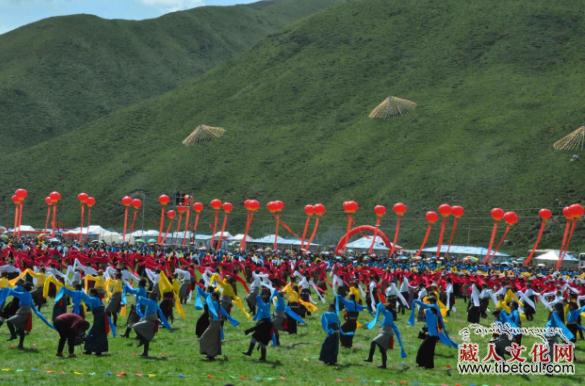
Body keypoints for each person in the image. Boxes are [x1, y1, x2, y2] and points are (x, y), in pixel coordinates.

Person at [364, 299, 407, 369]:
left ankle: (370, 358)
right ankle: (384, 365)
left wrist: (378, 303)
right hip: (386, 332)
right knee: (382, 349)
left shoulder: (387, 313)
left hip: (386, 333)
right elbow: (383, 321)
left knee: (373, 342)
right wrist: (373, 315)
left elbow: (382, 313)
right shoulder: (389, 314)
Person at [199, 291, 239, 360]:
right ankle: (211, 354)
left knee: (204, 338)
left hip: (214, 324)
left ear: (214, 297)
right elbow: (223, 312)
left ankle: (210, 354)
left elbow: (217, 312)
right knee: (213, 339)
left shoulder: (214, 303)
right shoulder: (217, 303)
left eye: (212, 296)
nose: (210, 297)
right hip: (215, 323)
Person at [133, 292, 171, 357]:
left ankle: (142, 340)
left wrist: (138, 296)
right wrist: (167, 325)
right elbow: (161, 314)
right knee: (147, 338)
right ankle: (145, 353)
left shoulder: (150, 302)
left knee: (135, 327)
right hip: (152, 323)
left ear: (151, 297)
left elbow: (141, 299)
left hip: (150, 322)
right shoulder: (155, 303)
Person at [243, 288, 273, 361]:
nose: (263, 295)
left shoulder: (266, 304)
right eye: (263, 294)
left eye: (265, 294)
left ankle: (263, 357)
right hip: (263, 322)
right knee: (255, 337)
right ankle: (249, 352)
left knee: (262, 342)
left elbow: (259, 301)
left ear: (268, 295)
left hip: (265, 324)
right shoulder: (266, 302)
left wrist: (249, 330)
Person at [82, 288, 109, 355]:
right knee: (95, 333)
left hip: (99, 317)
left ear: (93, 293)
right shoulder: (97, 299)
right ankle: (91, 350)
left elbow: (87, 298)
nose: (89, 294)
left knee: (96, 333)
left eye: (89, 293)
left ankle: (96, 350)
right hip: (99, 317)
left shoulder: (94, 299)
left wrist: (80, 293)